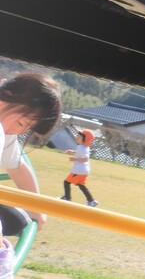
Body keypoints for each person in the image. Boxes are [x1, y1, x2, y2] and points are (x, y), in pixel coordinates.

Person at [0, 73, 62, 237]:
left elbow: (18, 168)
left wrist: (36, 207)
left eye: (26, 129)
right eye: (21, 123)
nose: (18, 131)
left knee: (17, 221)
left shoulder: (5, 134)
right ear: (8, 96)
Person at [61, 128, 98, 207]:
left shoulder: (82, 148)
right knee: (81, 185)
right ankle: (91, 201)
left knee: (66, 182)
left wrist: (74, 159)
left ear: (85, 139)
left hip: (79, 170)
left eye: (79, 136)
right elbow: (81, 153)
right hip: (84, 170)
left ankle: (67, 198)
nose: (77, 137)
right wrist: (73, 152)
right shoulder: (83, 147)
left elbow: (85, 159)